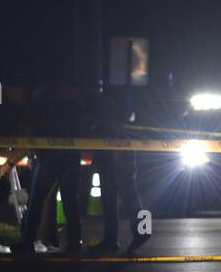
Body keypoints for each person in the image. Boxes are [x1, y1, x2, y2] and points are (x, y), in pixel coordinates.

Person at [18, 86, 87, 255]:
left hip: (48, 158)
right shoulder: (73, 106)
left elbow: (29, 131)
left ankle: (27, 241)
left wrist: (32, 155)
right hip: (71, 159)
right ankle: (74, 242)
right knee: (70, 202)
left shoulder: (39, 106)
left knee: (36, 202)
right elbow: (84, 129)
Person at [84, 87, 151, 254]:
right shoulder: (104, 101)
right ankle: (114, 239)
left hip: (114, 157)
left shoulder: (97, 103)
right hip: (117, 155)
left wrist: (116, 154)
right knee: (119, 198)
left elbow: (113, 126)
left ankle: (140, 232)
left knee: (123, 197)